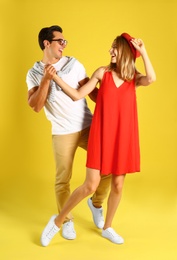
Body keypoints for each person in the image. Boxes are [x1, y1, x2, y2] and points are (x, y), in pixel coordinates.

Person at [40, 32, 156, 246]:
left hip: (124, 137)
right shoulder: (103, 73)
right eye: (111, 47)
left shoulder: (133, 78)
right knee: (90, 186)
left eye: (115, 47)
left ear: (126, 52)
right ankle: (56, 222)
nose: (111, 51)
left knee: (118, 185)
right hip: (101, 135)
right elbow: (77, 95)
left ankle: (108, 227)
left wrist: (143, 51)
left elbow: (151, 78)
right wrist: (55, 77)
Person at [26, 25, 111, 241]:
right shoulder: (33, 73)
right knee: (62, 179)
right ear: (47, 43)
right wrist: (46, 79)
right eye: (60, 41)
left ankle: (96, 203)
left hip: (87, 125)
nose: (64, 45)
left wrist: (115, 103)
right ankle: (67, 221)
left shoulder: (74, 64)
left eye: (65, 42)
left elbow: (90, 91)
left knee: (109, 167)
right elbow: (35, 106)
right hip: (62, 132)